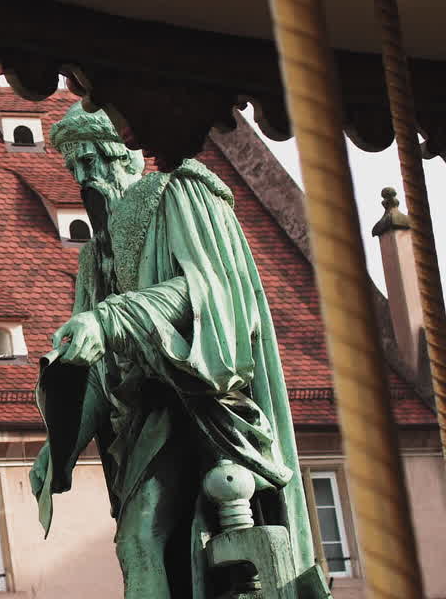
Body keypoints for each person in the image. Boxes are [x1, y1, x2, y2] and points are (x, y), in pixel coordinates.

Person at [30, 103, 318, 598]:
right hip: (147, 418)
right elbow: (99, 367)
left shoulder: (180, 193)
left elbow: (210, 291)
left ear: (129, 154)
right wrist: (62, 443)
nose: (85, 176)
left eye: (94, 159)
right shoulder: (95, 256)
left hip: (203, 403)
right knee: (141, 544)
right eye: (74, 166)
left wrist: (111, 317)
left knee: (146, 537)